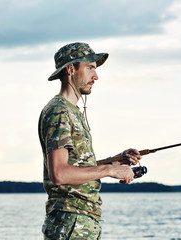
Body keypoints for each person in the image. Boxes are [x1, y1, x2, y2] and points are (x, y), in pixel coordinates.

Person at [38, 42, 142, 239]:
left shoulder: (71, 111)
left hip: (81, 221)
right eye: (90, 68)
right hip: (70, 222)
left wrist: (115, 161)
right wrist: (110, 171)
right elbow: (59, 173)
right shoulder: (59, 111)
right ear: (70, 69)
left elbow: (77, 166)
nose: (96, 76)